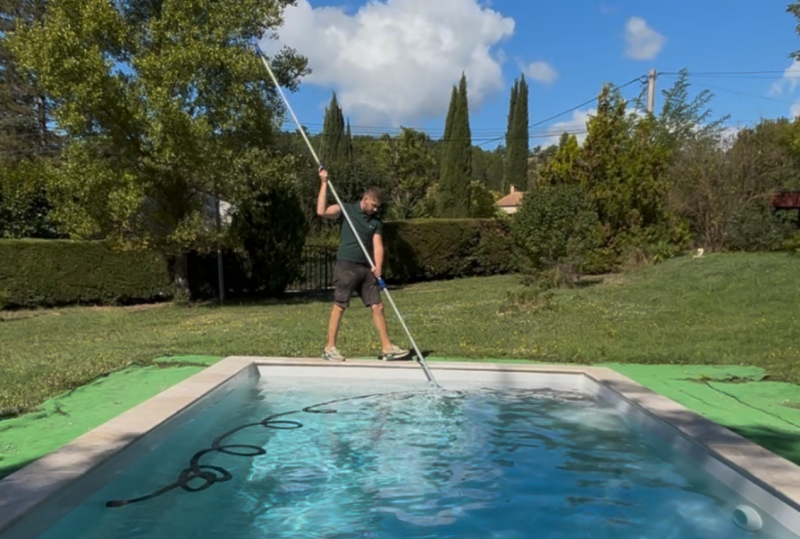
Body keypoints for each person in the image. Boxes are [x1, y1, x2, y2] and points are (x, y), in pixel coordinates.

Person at [316, 167, 409, 362]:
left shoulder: (375, 222)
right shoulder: (346, 209)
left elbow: (378, 246)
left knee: (377, 306)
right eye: (373, 205)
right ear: (365, 199)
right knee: (340, 305)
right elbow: (321, 211)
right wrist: (324, 183)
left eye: (378, 207)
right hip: (347, 266)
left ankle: (387, 348)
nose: (376, 209)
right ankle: (330, 348)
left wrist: (378, 266)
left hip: (367, 269)